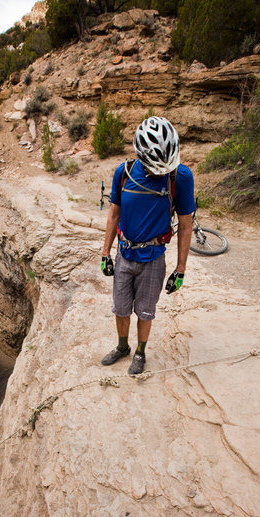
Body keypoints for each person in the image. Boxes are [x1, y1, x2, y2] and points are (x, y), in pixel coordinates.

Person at [100, 116, 195, 375]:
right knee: (120, 307)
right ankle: (122, 347)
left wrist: (181, 270)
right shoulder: (125, 172)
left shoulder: (181, 177)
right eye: (156, 168)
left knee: (145, 311)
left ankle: (140, 352)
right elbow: (114, 214)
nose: (161, 173)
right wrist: (105, 253)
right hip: (125, 254)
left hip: (153, 258)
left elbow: (186, 225)